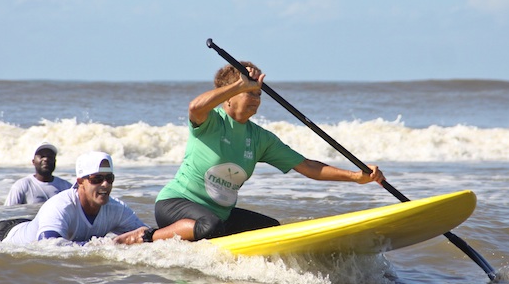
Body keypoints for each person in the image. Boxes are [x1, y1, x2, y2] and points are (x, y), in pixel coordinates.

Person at [154, 62, 385, 242]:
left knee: (270, 230)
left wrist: (356, 176)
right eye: (250, 93)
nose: (256, 99)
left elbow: (308, 166)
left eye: (258, 94)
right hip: (176, 204)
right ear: (228, 98)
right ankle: (149, 236)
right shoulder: (211, 122)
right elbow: (195, 107)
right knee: (211, 226)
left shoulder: (260, 138)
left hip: (219, 216)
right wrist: (239, 85)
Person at [0, 151, 156, 245]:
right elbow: (48, 247)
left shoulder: (116, 209)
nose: (105, 185)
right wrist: (107, 245)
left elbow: (147, 235)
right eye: (96, 179)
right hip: (1, 236)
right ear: (80, 182)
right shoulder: (60, 206)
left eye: (109, 179)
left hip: (35, 225)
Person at [4, 142, 72, 205]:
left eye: (50, 157)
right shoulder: (22, 186)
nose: (46, 159)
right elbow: (9, 211)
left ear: (55, 162)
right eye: (42, 156)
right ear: (33, 162)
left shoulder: (67, 187)